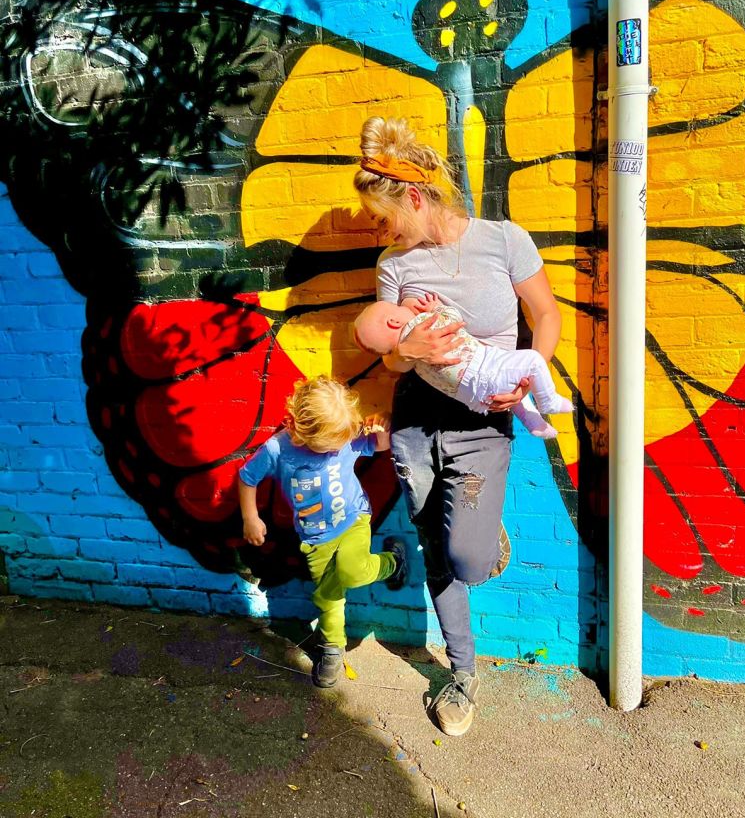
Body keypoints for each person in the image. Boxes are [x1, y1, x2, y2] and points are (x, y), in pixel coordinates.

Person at [353, 116, 564, 736]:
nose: (378, 227)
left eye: (382, 214)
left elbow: (545, 315)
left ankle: (479, 536)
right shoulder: (394, 264)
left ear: (414, 197)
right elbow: (390, 354)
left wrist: (531, 376)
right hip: (417, 418)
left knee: (466, 559)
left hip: (483, 419)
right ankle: (463, 672)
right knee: (431, 544)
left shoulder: (504, 240)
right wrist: (411, 350)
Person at [238, 376, 407, 688]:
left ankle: (392, 562)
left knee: (354, 573)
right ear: (301, 431)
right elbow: (247, 477)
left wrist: (384, 426)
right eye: (329, 445)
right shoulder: (278, 449)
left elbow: (381, 446)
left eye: (339, 443)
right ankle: (331, 649)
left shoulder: (342, 435)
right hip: (315, 539)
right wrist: (250, 517)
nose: (337, 449)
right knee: (329, 597)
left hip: (353, 520)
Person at [354, 292, 572, 440]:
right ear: (393, 321)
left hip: (474, 398)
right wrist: (438, 308)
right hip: (485, 371)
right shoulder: (423, 326)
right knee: (533, 361)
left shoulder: (417, 364)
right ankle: (548, 402)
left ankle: (531, 420)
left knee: (513, 388)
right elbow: (454, 319)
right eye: (396, 306)